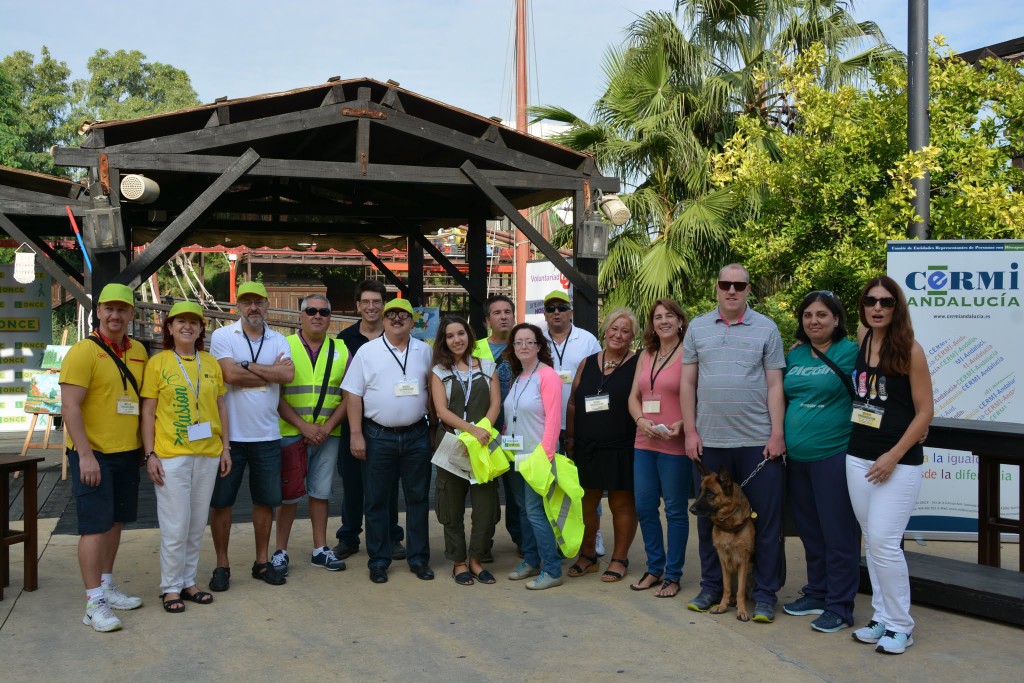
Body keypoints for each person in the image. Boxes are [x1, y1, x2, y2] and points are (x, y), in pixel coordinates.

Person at [681, 264, 787, 623]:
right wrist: (690, 432)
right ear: (716, 287)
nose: (731, 290)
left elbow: (775, 385)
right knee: (708, 520)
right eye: (725, 284)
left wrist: (777, 433)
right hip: (709, 442)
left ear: (748, 290)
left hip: (758, 443)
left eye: (739, 286)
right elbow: (687, 384)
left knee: (766, 524)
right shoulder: (697, 328)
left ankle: (765, 595)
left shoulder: (767, 328)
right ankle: (712, 587)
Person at [847, 276, 933, 655]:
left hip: (898, 462)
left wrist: (894, 455)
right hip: (858, 456)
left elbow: (925, 411)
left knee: (884, 542)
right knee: (874, 541)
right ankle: (882, 617)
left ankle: (901, 625)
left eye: (885, 301)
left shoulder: (911, 350)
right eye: (871, 301)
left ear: (897, 307)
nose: (877, 307)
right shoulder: (863, 338)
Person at [60, 283, 148, 632]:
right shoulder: (83, 352)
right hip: (93, 454)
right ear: (98, 312)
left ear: (131, 314)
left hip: (126, 452)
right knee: (94, 526)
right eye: (109, 309)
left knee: (115, 522)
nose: (115, 315)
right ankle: (93, 602)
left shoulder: (138, 351)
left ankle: (107, 585)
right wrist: (85, 455)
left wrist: (142, 448)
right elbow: (70, 407)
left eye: (122, 309)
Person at [141, 301, 230, 613]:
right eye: (181, 321)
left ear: (202, 328)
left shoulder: (211, 362)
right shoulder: (158, 363)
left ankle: (188, 582)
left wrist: (226, 447)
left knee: (195, 524)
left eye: (194, 322)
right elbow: (148, 412)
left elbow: (221, 407)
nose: (187, 327)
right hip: (171, 456)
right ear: (169, 327)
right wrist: (150, 454)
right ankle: (170, 587)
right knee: (175, 525)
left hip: (207, 454)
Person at [780, 291, 860, 633]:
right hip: (798, 460)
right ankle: (817, 592)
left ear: (837, 319)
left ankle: (840, 606)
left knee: (838, 534)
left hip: (834, 456)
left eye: (822, 314)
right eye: (808, 315)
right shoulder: (796, 354)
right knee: (811, 532)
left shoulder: (851, 352)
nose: (814, 321)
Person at [208, 281, 295, 590]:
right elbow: (228, 374)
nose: (253, 307)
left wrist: (246, 366)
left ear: (267, 304)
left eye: (258, 301)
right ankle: (222, 565)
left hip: (267, 435)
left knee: (265, 502)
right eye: (247, 302)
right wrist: (267, 373)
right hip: (229, 438)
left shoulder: (279, 339)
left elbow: (287, 375)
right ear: (238, 306)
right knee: (222, 503)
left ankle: (261, 562)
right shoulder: (222, 335)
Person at [341, 297, 434, 584]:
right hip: (378, 435)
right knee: (376, 500)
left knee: (418, 499)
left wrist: (433, 429)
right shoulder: (367, 352)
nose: (396, 319)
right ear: (383, 320)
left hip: (417, 434)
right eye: (391, 314)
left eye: (402, 315)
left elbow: (433, 390)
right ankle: (379, 561)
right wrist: (356, 434)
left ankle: (419, 559)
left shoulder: (424, 351)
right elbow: (352, 394)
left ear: (412, 322)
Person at [272, 294, 349, 576]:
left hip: (329, 434)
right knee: (288, 495)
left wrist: (325, 429)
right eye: (311, 311)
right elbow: (275, 394)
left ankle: (320, 548)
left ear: (330, 317)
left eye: (324, 312)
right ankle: (280, 551)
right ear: (300, 316)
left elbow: (349, 395)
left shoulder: (341, 349)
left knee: (321, 492)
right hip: (291, 432)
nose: (318, 316)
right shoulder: (284, 347)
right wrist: (303, 427)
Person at [333, 280, 406, 562]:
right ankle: (349, 537)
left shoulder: (396, 337)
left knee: (387, 485)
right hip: (354, 424)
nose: (371, 307)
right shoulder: (344, 339)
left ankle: (391, 536)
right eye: (366, 302)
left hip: (387, 425)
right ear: (357, 306)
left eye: (377, 302)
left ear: (384, 305)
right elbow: (344, 385)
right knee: (352, 483)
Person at [565, 307, 639, 583]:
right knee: (586, 503)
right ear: (605, 330)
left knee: (622, 504)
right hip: (587, 446)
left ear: (632, 336)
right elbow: (573, 403)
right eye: (614, 329)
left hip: (622, 446)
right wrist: (570, 439)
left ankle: (619, 558)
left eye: (625, 331)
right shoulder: (587, 362)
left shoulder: (638, 362)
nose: (618, 335)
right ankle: (588, 555)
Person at [431, 316, 502, 585]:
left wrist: (483, 430)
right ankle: (458, 561)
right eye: (450, 336)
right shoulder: (439, 371)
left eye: (460, 333)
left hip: (483, 444)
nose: (456, 340)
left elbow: (495, 404)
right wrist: (471, 430)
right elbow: (441, 411)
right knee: (451, 505)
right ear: (444, 341)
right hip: (452, 443)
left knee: (486, 506)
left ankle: (476, 559)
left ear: (469, 335)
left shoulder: (487, 367)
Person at [627, 299, 689, 597]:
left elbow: (698, 396)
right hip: (644, 441)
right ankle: (655, 568)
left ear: (680, 321)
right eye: (657, 317)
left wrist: (684, 423)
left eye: (669, 316)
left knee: (675, 510)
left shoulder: (690, 353)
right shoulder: (646, 354)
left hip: (674, 443)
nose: (663, 321)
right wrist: (640, 420)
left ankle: (673, 574)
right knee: (644, 506)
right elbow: (633, 397)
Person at [503, 323, 564, 590]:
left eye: (529, 341)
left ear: (539, 346)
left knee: (536, 512)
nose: (523, 346)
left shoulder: (547, 376)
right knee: (524, 511)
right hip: (516, 457)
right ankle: (531, 560)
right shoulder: (518, 377)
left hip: (538, 457)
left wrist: (545, 456)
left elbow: (553, 419)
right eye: (518, 342)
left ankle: (552, 569)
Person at [541, 289, 603, 553]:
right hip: (546, 424)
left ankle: (593, 534)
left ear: (571, 312)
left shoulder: (587, 340)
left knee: (586, 484)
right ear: (545, 314)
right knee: (552, 485)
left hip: (581, 423)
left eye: (562, 308)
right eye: (551, 308)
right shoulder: (537, 338)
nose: (557, 312)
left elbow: (600, 377)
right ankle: (559, 536)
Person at [472, 294, 521, 556]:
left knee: (517, 489)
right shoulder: (474, 349)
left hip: (516, 431)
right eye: (497, 313)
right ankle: (483, 543)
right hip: (484, 430)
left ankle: (521, 539)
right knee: (485, 490)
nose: (503, 317)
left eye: (507, 312)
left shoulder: (524, 344)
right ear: (487, 320)